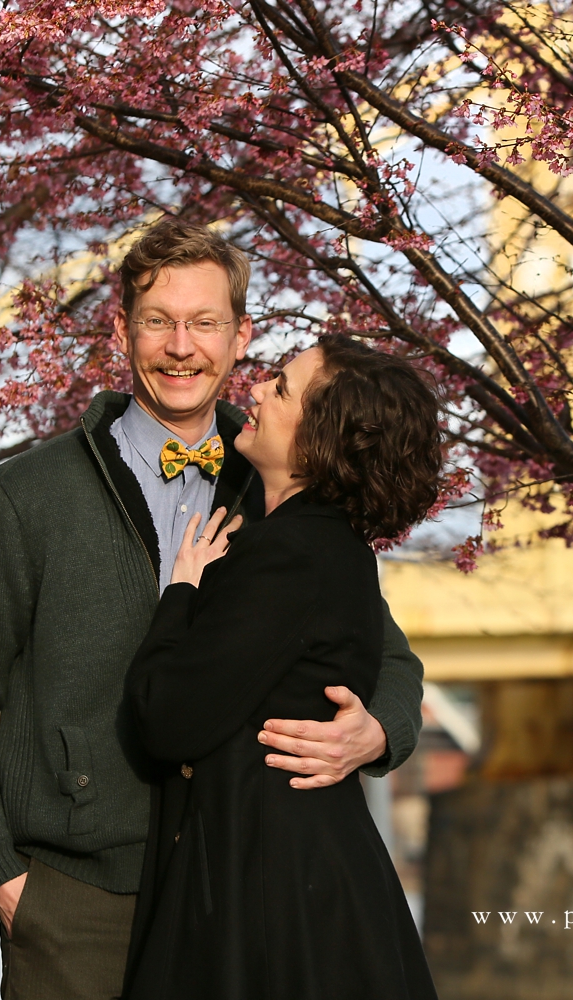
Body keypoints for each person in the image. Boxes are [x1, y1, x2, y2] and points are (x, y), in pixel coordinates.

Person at [0, 219, 426, 1000]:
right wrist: (4, 877)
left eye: (206, 323)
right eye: (158, 321)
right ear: (122, 329)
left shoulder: (288, 487)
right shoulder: (30, 497)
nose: (181, 346)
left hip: (232, 892)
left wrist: (378, 731)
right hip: (81, 903)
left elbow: (386, 657)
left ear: (241, 333)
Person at [122, 335, 443, 1000]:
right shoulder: (332, 546)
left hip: (263, 884)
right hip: (303, 873)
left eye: (283, 388)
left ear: (319, 436)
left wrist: (182, 591)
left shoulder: (290, 553)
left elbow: (167, 720)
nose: (258, 392)